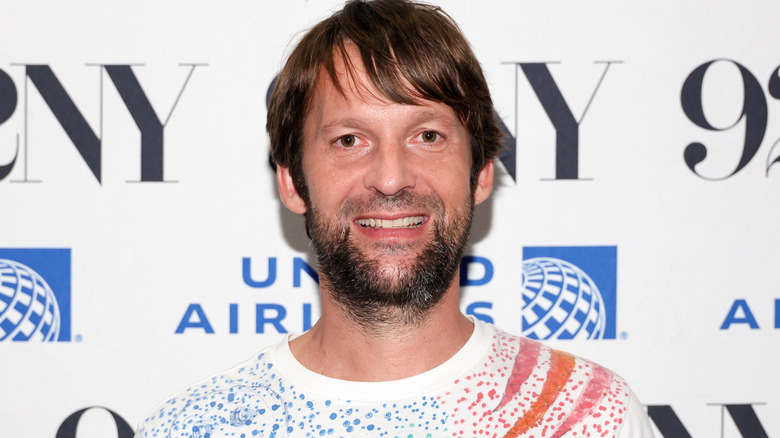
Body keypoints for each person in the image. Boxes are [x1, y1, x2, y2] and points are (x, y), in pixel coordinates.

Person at [136, 0, 655, 436]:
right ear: (292, 182)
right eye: (349, 140)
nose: (390, 178)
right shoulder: (197, 428)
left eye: (427, 136)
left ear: (480, 173)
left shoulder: (588, 415)